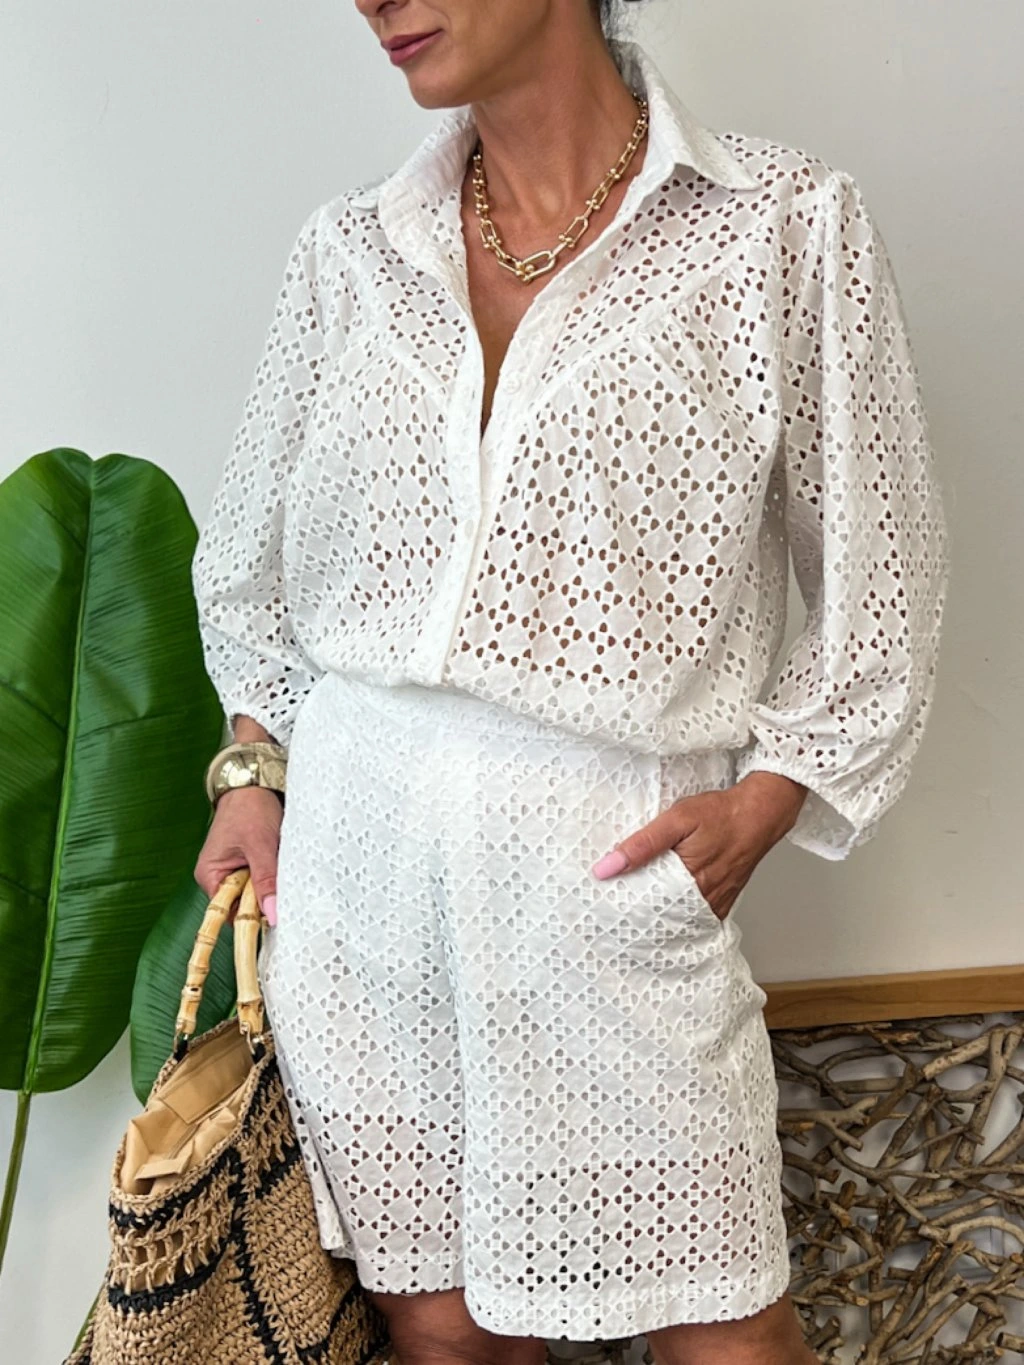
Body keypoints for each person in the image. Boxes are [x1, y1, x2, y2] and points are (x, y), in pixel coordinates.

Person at [191, 1, 950, 1362]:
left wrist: (769, 799)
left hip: (606, 885)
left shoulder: (779, 229)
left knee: (727, 1333)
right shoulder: (352, 252)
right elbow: (249, 571)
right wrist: (252, 771)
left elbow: (879, 580)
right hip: (359, 888)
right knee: (449, 1339)